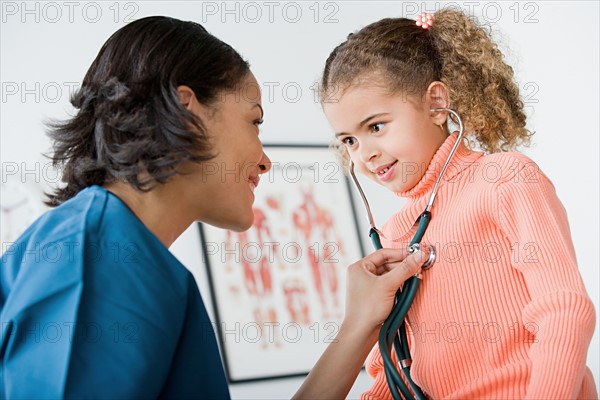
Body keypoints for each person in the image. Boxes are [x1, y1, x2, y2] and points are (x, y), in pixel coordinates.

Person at [0, 16, 429, 399]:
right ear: (188, 111)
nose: (265, 159)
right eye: (254, 121)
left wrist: (358, 328)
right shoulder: (93, 258)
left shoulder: (142, 268)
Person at [319, 8, 597, 400]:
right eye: (349, 140)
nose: (365, 154)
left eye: (376, 126)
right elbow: (393, 369)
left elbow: (565, 312)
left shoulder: (506, 179)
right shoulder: (396, 234)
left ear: (436, 103)